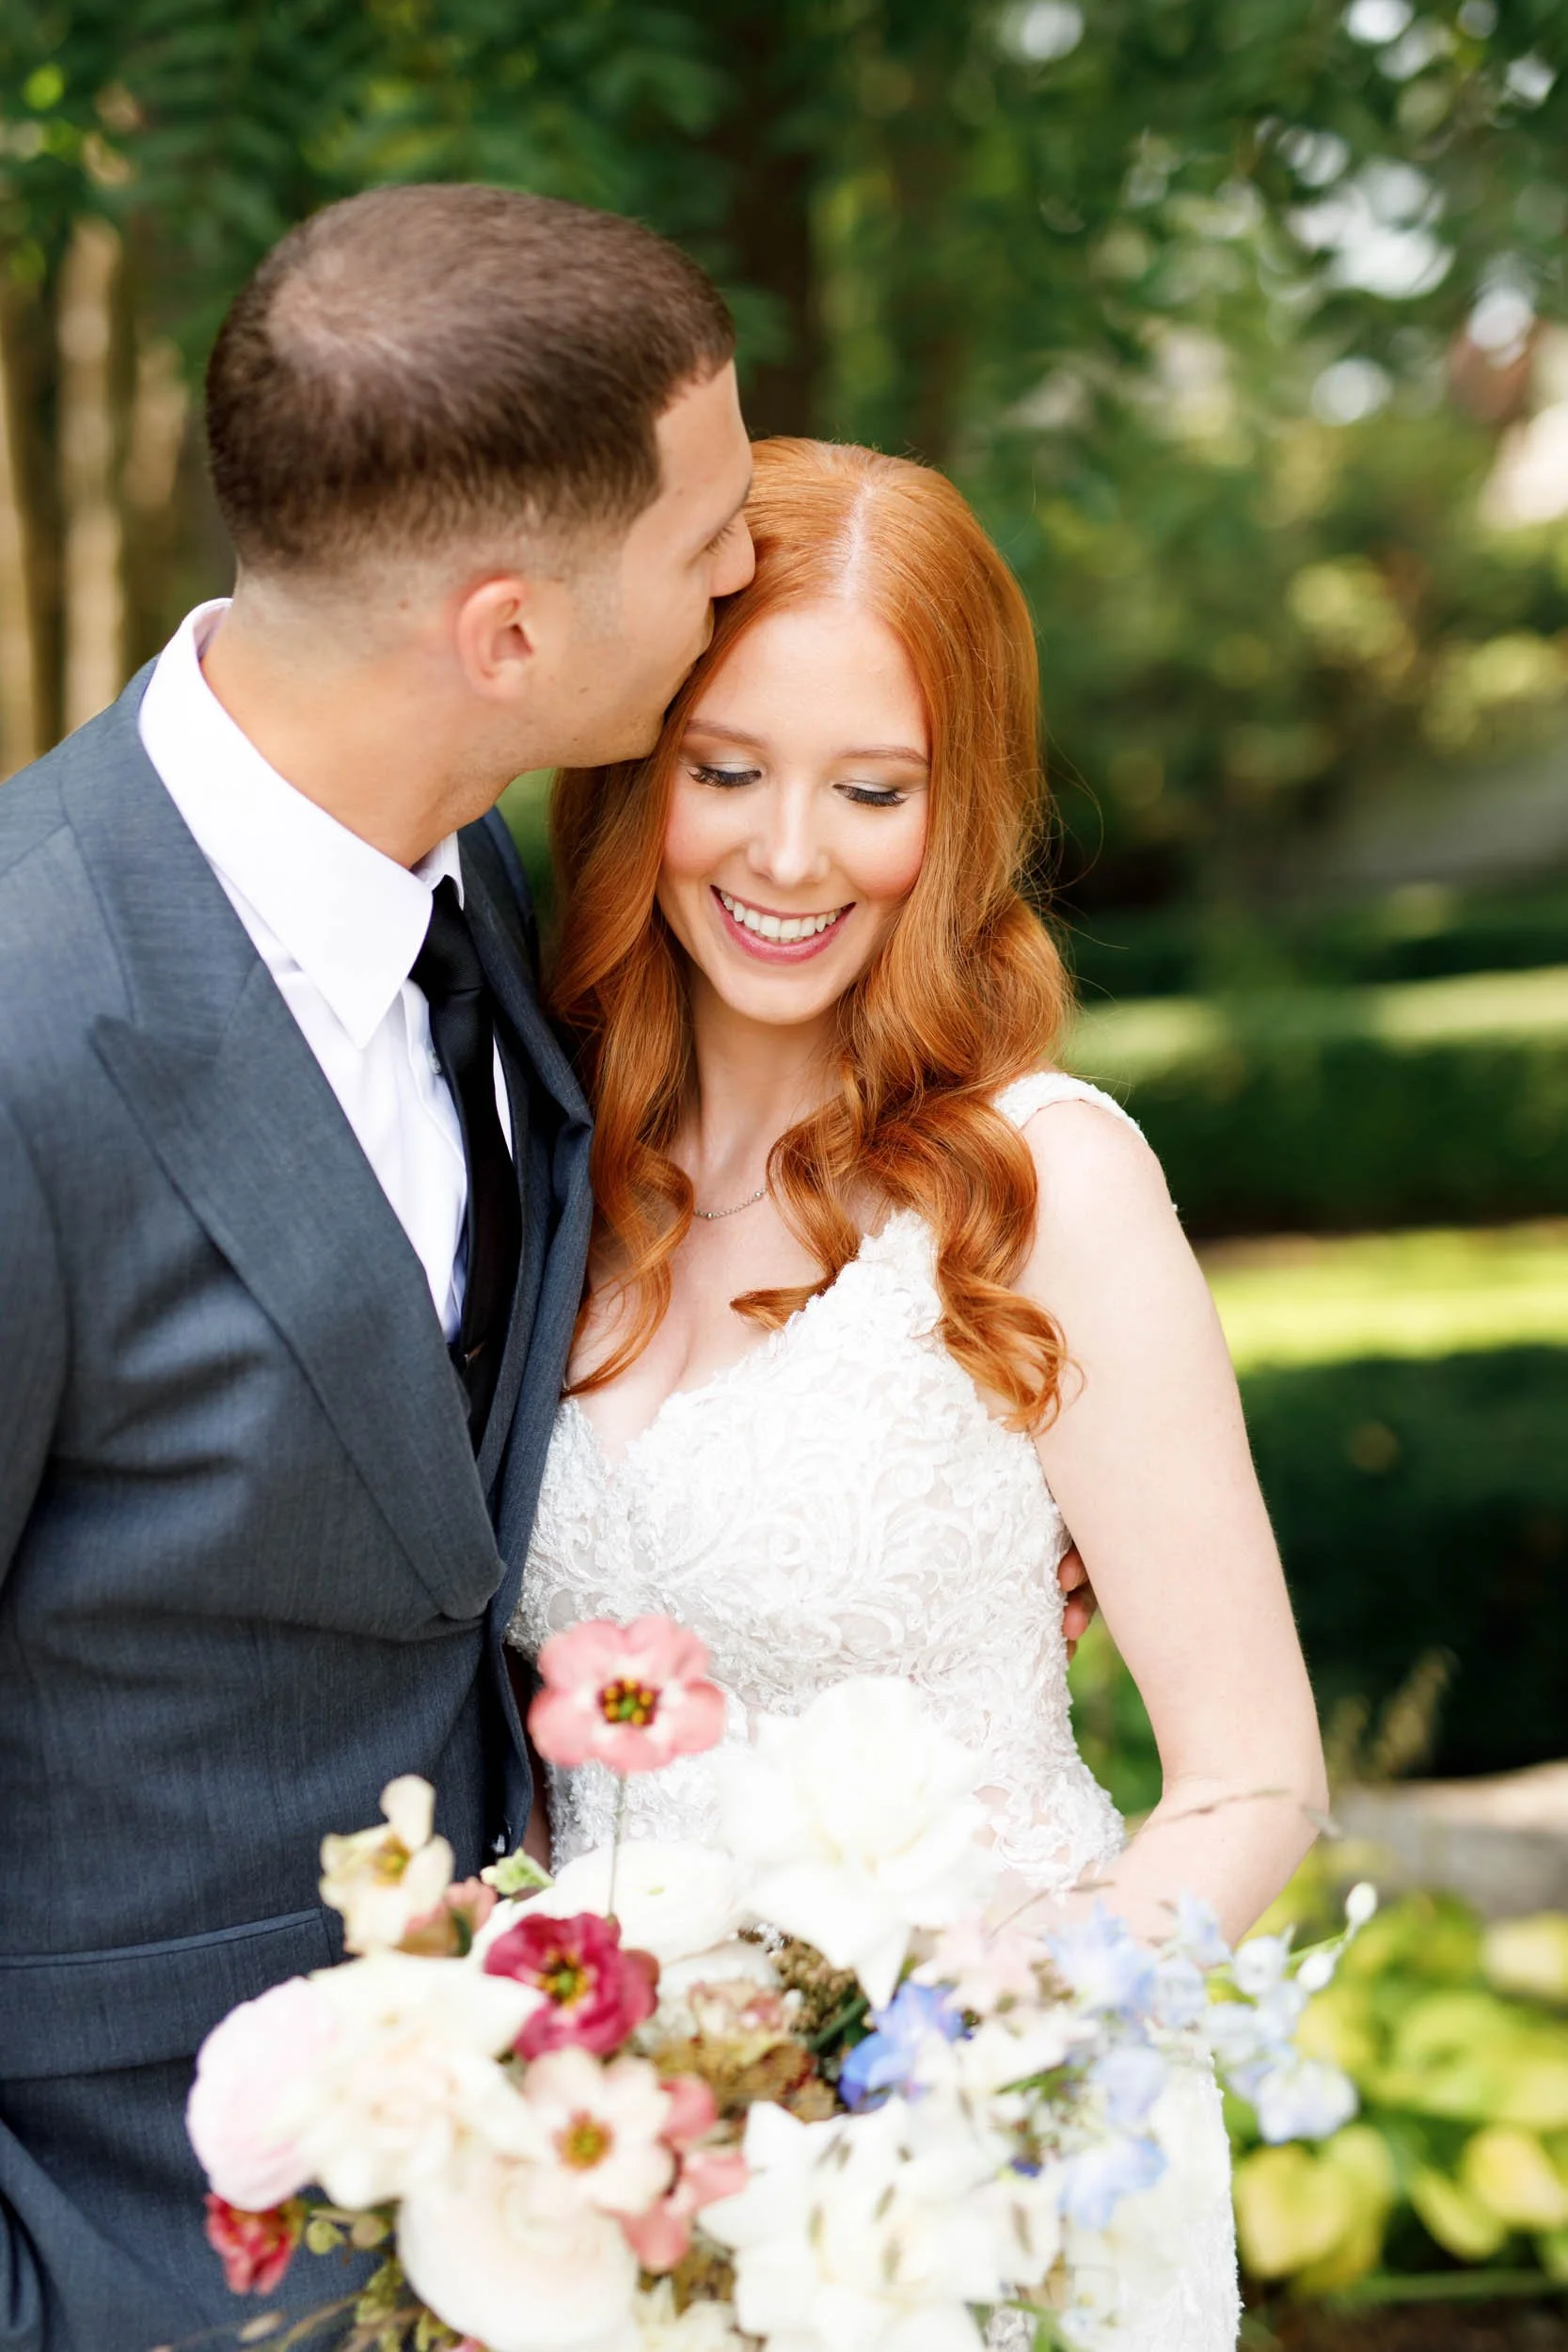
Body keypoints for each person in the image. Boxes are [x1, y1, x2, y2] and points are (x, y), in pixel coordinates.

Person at [0, 183, 762, 2352]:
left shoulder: (495, 890)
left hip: (530, 2204)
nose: (742, 560)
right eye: (702, 529)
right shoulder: (21, 1027)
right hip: (124, 2238)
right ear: (507, 630)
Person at [510, 437, 1330, 2350]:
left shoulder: (1046, 1185)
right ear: (635, 767)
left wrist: (968, 2082)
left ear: (950, 812)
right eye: (726, 770)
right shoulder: (535, 1173)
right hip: (601, 2211)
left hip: (974, 2208)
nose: (788, 856)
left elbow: (1249, 1777)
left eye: (869, 789)